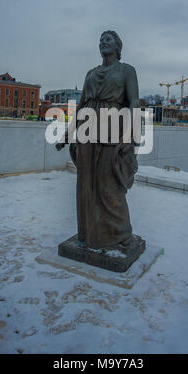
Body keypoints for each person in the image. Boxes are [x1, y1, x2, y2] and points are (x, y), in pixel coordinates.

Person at [56, 30, 139, 250]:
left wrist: (130, 135)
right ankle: (89, 234)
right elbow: (82, 105)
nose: (103, 42)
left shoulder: (127, 71)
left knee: (109, 187)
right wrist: (67, 133)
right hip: (86, 133)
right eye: (101, 40)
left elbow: (134, 104)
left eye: (108, 39)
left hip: (113, 130)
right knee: (86, 186)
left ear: (118, 47)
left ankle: (120, 234)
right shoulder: (90, 73)